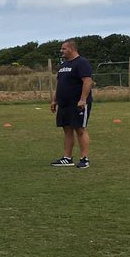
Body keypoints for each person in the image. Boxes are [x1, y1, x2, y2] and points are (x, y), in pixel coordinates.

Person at [50, 39, 94, 169]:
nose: (61, 51)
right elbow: (60, 84)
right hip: (64, 104)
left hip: (78, 103)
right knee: (67, 129)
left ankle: (84, 158)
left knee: (80, 129)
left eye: (63, 48)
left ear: (72, 49)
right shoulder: (63, 65)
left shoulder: (82, 63)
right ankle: (67, 158)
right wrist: (54, 100)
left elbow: (87, 81)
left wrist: (83, 99)